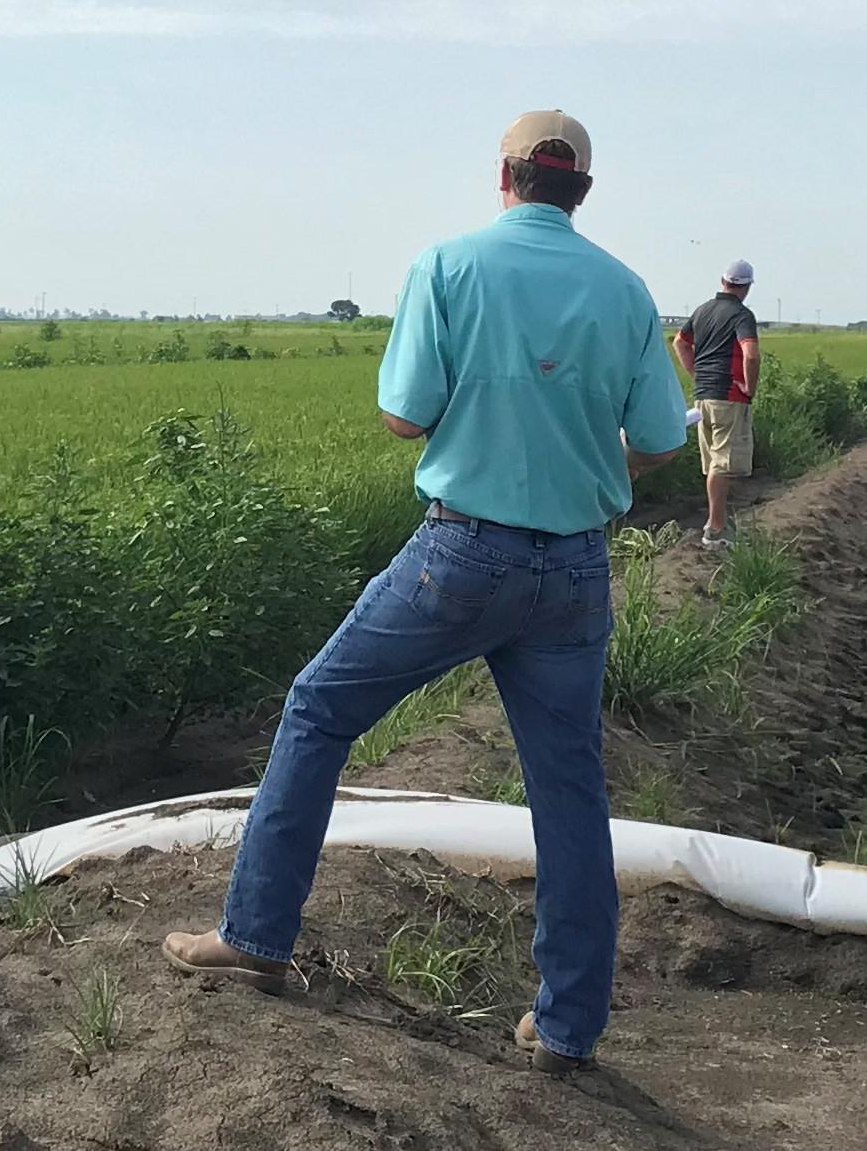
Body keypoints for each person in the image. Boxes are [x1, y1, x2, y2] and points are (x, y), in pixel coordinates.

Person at [161, 111, 686, 1075]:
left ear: (505, 175)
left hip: (463, 556)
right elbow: (659, 440)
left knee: (320, 709)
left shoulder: (449, 265)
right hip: (573, 568)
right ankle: (568, 1023)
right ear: (582, 192)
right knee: (568, 789)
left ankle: (256, 935)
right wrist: (587, 460)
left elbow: (404, 417)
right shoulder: (626, 291)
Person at [673, 261, 761, 549]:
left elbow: (680, 343)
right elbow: (750, 354)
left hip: (703, 396)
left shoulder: (702, 311)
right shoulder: (741, 315)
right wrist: (749, 386)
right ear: (746, 287)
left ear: (723, 281)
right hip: (728, 396)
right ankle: (716, 527)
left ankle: (717, 519)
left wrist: (697, 375)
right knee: (722, 464)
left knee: (713, 463)